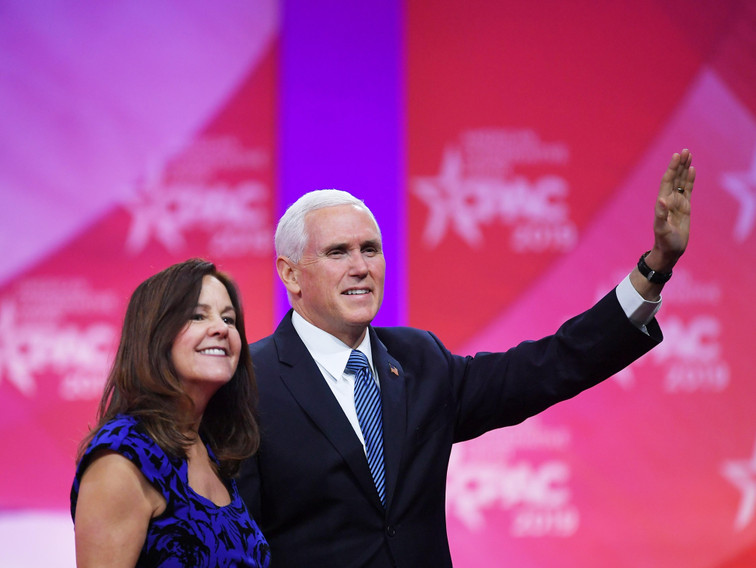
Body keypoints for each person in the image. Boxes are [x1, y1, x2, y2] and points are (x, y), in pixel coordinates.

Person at [238, 150, 696, 567]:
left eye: (370, 249)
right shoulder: (249, 384)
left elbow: (550, 366)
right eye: (338, 252)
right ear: (291, 274)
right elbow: (235, 541)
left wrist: (655, 268)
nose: (361, 266)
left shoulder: (419, 360)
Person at [71, 259, 270, 567]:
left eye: (229, 320)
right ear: (155, 337)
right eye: (197, 316)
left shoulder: (211, 449)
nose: (221, 328)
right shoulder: (122, 458)